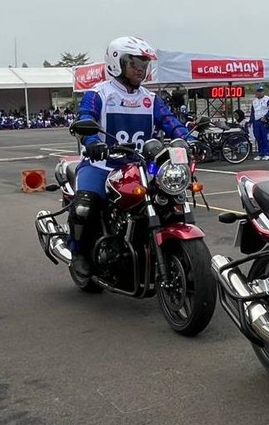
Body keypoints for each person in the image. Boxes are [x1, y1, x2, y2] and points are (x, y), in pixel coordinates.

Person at [69, 36, 191, 278]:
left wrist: (189, 139)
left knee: (170, 200)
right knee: (86, 205)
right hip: (101, 164)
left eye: (144, 65)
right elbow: (86, 118)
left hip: (140, 167)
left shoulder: (151, 98)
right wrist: (93, 143)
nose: (140, 70)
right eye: (134, 64)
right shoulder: (98, 94)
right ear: (117, 63)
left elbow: (169, 121)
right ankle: (78, 253)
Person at [251, 84, 269, 161]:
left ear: (263, 91)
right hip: (257, 121)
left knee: (265, 137)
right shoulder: (254, 101)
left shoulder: (268, 100)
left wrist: (266, 117)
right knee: (258, 137)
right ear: (256, 92)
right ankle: (260, 153)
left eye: (261, 91)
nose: (259, 93)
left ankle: (266, 153)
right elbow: (252, 112)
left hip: (265, 121)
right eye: (258, 91)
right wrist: (251, 121)